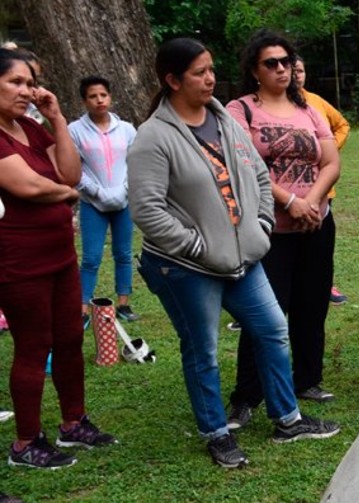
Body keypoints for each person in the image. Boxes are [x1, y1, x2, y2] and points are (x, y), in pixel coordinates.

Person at [130, 38, 340, 469]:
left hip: (243, 258)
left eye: (211, 69)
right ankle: (216, 432)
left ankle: (288, 418)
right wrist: (195, 247)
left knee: (272, 329)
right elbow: (146, 209)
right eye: (198, 72)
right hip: (187, 266)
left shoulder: (224, 120)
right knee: (203, 350)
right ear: (172, 80)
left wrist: (260, 226)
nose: (209, 78)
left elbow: (259, 177)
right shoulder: (153, 137)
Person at [0, 48, 119, 473]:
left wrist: (57, 120)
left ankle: (73, 421)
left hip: (59, 255)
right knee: (34, 346)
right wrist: (68, 195)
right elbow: (30, 186)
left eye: (30, 83)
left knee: (70, 337)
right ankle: (26, 441)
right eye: (16, 82)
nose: (27, 90)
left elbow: (68, 172)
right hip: (18, 258)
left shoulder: (30, 130)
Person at [225, 31, 342, 431]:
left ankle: (306, 380)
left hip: (316, 223)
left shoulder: (308, 110)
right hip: (268, 229)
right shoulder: (240, 111)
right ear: (254, 70)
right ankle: (246, 395)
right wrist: (291, 203)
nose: (282, 69)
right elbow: (245, 166)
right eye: (271, 63)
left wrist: (312, 201)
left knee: (312, 305)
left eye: (286, 61)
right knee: (264, 312)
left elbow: (331, 162)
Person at [69, 75, 139, 324]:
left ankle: (123, 304)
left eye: (103, 95)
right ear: (84, 100)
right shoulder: (74, 130)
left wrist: (124, 189)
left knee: (123, 253)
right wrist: (96, 191)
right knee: (91, 258)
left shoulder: (127, 129)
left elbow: (136, 162)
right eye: (92, 96)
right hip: (92, 203)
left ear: (110, 96)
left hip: (123, 201)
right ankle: (83, 308)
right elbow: (72, 169)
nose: (99, 100)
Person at [292, 57, 352, 307]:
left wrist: (327, 152)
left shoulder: (315, 102)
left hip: (321, 190)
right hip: (284, 198)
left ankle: (326, 285)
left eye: (300, 70)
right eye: (292, 70)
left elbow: (342, 125)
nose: (296, 75)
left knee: (320, 243)